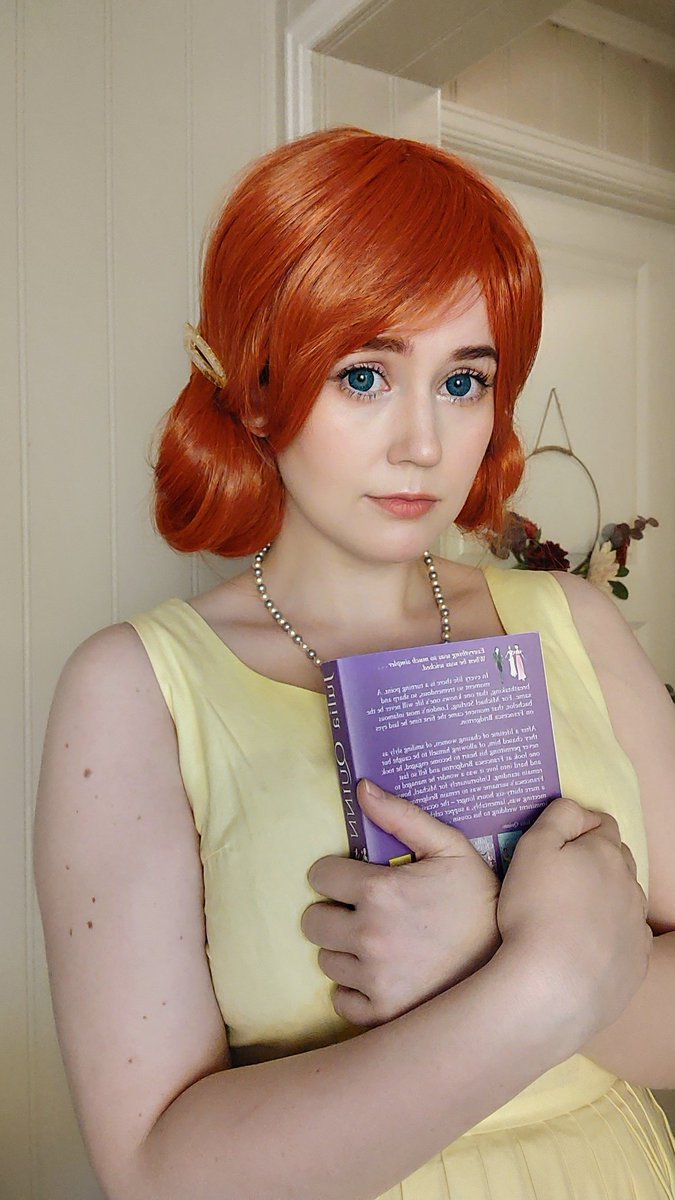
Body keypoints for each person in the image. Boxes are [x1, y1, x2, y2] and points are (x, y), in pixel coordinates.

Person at [33, 125, 675, 1200]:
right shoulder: (136, 688)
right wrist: (527, 985)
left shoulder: (573, 622)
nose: (422, 442)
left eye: (462, 382)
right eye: (365, 374)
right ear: (253, 389)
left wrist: (500, 956)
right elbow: (157, 1173)